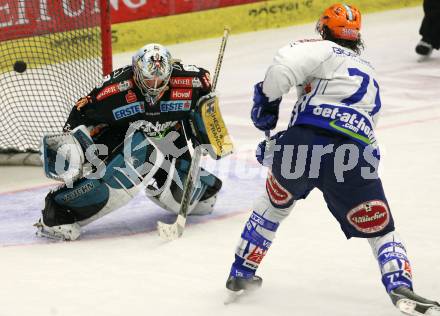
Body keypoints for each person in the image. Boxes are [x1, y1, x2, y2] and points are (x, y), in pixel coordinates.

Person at [225, 3, 440, 315]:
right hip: (352, 155)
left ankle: (241, 272)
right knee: (380, 229)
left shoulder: (320, 48)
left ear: (324, 29)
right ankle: (399, 284)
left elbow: (280, 71)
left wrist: (267, 106)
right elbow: (367, 130)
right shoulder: (369, 73)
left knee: (271, 208)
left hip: (301, 146)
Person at [35, 43, 231, 240]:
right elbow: (81, 111)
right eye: (148, 78)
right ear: (136, 71)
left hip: (169, 134)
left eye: (160, 79)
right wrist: (73, 151)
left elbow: (207, 104)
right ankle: (58, 210)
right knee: (131, 164)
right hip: (123, 135)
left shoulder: (194, 82)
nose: (154, 85)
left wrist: (205, 121)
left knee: (198, 199)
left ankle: (194, 181)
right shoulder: (114, 90)